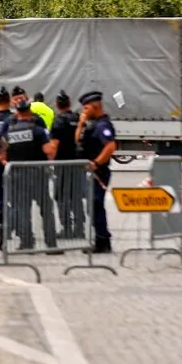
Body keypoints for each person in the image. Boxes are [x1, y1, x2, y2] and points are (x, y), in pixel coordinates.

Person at [3, 97, 59, 252]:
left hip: (18, 175)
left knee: (22, 209)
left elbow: (1, 154)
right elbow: (49, 151)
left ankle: (27, 242)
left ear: (17, 112)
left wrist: (9, 165)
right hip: (39, 174)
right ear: (29, 111)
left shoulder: (10, 132)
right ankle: (51, 243)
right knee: (46, 209)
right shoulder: (39, 131)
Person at [76, 91, 117, 254]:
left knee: (97, 204)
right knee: (93, 206)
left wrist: (96, 163)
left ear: (95, 106)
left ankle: (103, 241)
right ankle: (101, 238)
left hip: (99, 172)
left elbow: (111, 146)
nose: (84, 111)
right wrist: (80, 123)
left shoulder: (103, 125)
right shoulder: (91, 124)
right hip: (91, 172)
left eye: (86, 108)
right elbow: (77, 140)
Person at [50, 91, 85, 240]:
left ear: (57, 105)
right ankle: (79, 228)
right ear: (69, 104)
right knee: (76, 196)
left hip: (62, 165)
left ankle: (67, 228)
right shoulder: (77, 119)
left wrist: (49, 161)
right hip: (77, 164)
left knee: (61, 197)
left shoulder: (58, 121)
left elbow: (55, 144)